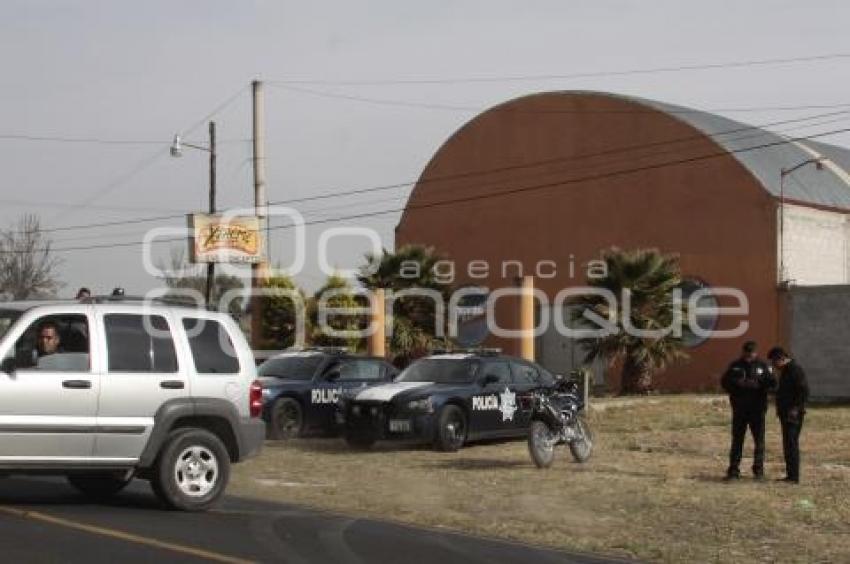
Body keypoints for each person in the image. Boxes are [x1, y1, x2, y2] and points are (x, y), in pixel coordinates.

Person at [721, 340, 776, 480]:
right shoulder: (735, 366)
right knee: (737, 440)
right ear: (743, 352)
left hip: (757, 410)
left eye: (751, 354)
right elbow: (725, 382)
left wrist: (758, 384)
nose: (748, 356)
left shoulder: (763, 366)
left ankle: (758, 471)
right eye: (746, 353)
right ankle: (733, 470)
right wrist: (738, 384)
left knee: (759, 441)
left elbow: (772, 383)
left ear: (756, 353)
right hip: (740, 410)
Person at [768, 347, 810, 484]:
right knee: (788, 443)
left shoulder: (794, 370)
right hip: (786, 413)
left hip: (793, 414)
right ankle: (790, 475)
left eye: (774, 362)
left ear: (781, 358)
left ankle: (793, 477)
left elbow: (803, 391)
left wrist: (795, 408)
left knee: (791, 444)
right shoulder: (786, 370)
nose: (773, 365)